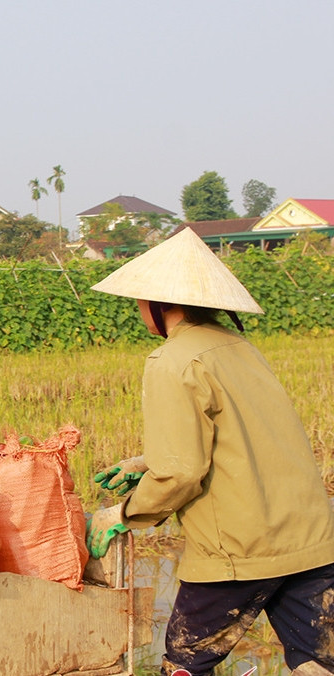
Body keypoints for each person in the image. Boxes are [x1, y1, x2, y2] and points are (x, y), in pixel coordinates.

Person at [85, 229, 334, 676]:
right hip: (311, 540)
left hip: (239, 551)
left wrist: (123, 514)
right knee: (317, 664)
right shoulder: (240, 349)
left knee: (185, 664)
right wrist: (146, 461)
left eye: (140, 302)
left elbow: (181, 474)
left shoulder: (173, 360)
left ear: (159, 305)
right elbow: (248, 433)